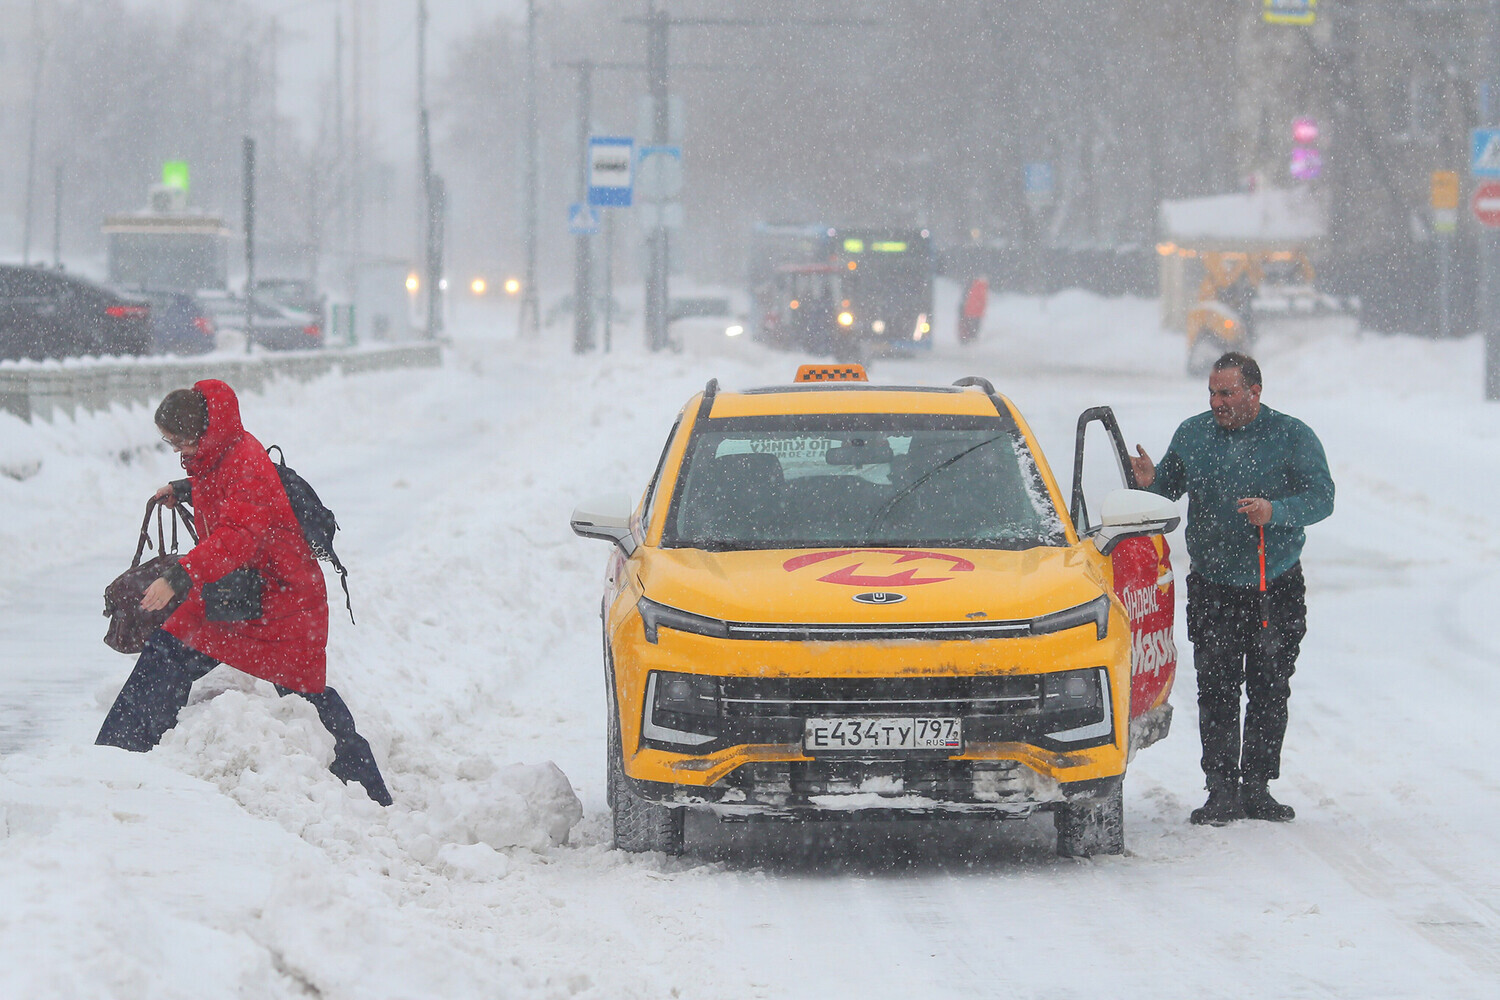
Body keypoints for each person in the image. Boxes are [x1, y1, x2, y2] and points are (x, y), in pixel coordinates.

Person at [96, 380, 392, 806]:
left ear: (202, 432)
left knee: (305, 696)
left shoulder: (245, 461)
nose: (176, 450)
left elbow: (237, 536)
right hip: (239, 590)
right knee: (170, 648)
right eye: (168, 442)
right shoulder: (219, 452)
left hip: (282, 598)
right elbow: (226, 489)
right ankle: (115, 757)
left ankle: (369, 792)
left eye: (177, 441)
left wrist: (177, 578)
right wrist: (182, 488)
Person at [1130, 353, 1332, 826]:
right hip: (1213, 586)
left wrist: (1274, 511)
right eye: (1212, 393)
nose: (1216, 402)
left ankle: (1257, 788)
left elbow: (1323, 497)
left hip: (1273, 584)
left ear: (1254, 393)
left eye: (1226, 393)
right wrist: (1149, 482)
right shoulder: (1193, 434)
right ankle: (1220, 791)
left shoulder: (1292, 436)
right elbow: (1167, 490)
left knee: (1269, 688)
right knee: (1215, 689)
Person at [957, 275, 989, 344]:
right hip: (977, 313)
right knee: (974, 328)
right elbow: (983, 301)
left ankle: (967, 339)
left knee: (968, 326)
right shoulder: (983, 287)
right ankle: (972, 338)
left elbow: (965, 299)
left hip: (969, 311)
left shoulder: (972, 286)